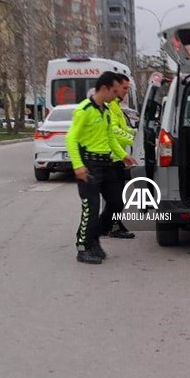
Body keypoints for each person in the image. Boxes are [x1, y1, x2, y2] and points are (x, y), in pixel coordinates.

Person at [65, 72, 134, 265]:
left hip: (106, 163)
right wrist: (78, 165)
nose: (116, 95)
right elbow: (71, 139)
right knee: (91, 207)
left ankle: (94, 235)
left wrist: (123, 156)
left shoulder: (105, 110)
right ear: (104, 89)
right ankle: (84, 247)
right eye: (114, 91)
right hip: (89, 164)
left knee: (116, 202)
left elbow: (110, 137)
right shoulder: (84, 109)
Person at [103, 73, 136, 240]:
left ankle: (111, 225)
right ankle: (106, 227)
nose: (125, 92)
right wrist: (134, 139)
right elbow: (114, 132)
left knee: (116, 198)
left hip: (118, 157)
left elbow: (122, 129)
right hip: (111, 158)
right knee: (115, 199)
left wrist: (136, 133)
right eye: (124, 88)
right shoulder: (109, 107)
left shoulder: (116, 107)